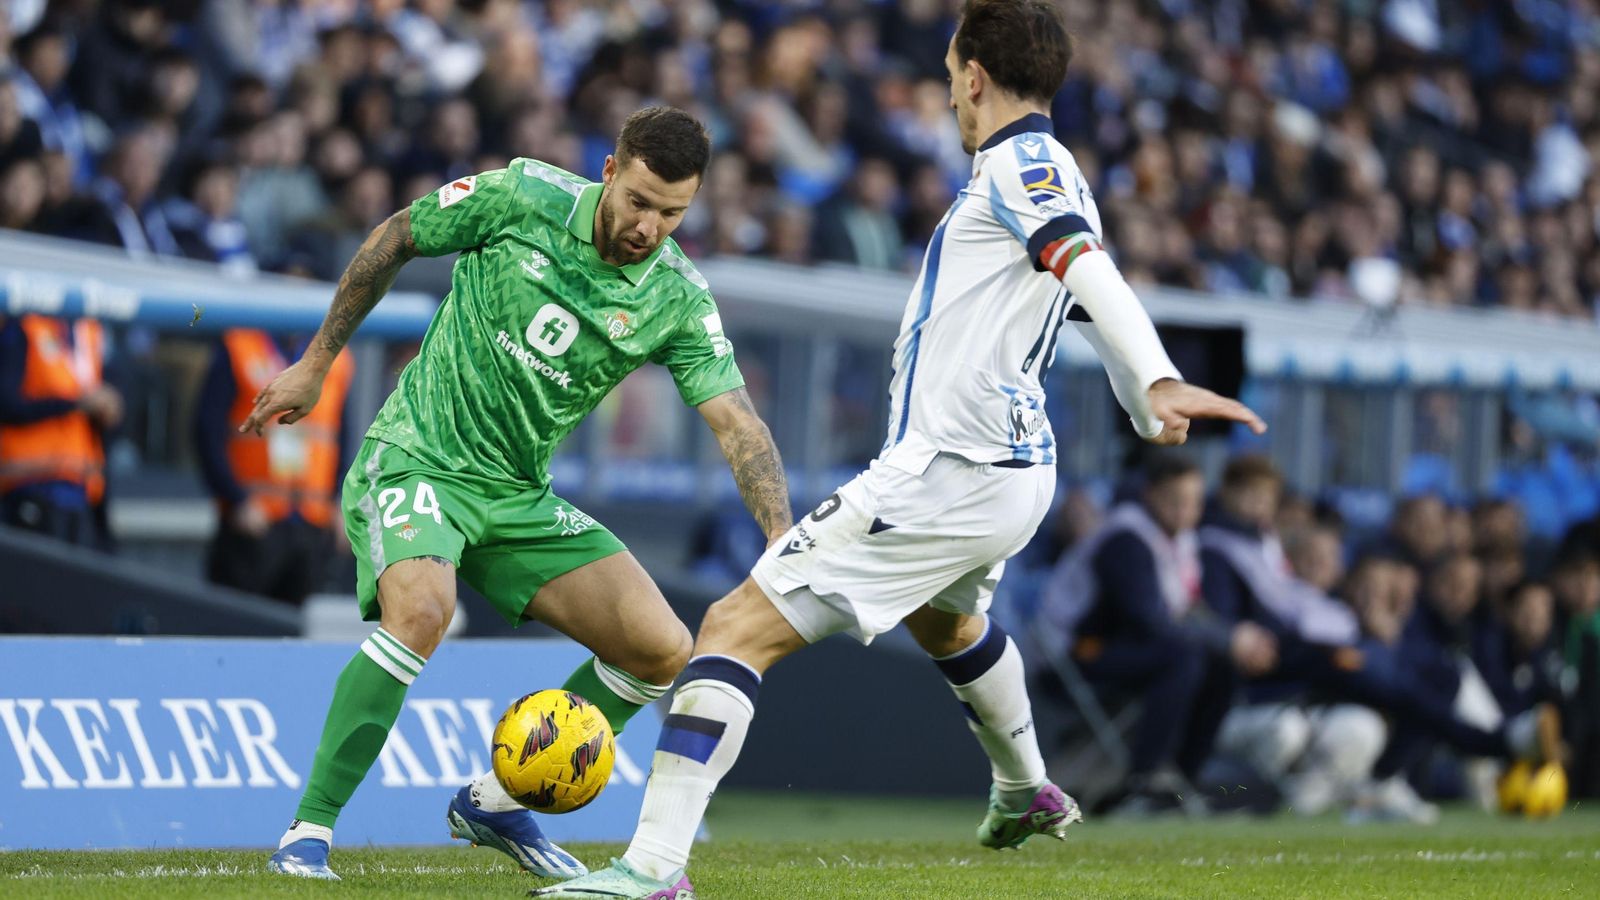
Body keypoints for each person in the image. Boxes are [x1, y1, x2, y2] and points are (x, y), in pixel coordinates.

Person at [535, 3, 1266, 896]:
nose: (950, 93)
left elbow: (1086, 270)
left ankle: (653, 868)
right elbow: (1075, 290)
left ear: (972, 77)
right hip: (1012, 474)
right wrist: (1141, 405)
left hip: (951, 470)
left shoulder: (1022, 163)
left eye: (952, 73)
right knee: (945, 620)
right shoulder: (1053, 167)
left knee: (729, 630)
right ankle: (1025, 786)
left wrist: (1154, 379)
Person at [251, 106, 792, 881]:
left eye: (672, 212)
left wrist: (782, 540)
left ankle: (498, 801)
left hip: (515, 495)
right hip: (418, 457)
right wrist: (316, 363)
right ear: (610, 172)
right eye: (638, 201)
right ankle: (308, 833)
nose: (649, 226)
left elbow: (737, 424)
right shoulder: (521, 196)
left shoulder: (676, 297)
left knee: (662, 650)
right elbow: (398, 234)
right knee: (423, 612)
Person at [1039, 454, 1275, 813]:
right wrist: (1227, 639)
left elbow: (1190, 611)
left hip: (1125, 650)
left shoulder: (1180, 542)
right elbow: (1149, 621)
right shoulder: (1126, 539)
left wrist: (1237, 640)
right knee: (1183, 656)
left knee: (1220, 663)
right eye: (1174, 500)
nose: (1185, 511)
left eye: (1193, 502)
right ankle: (1144, 781)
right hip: (1076, 654)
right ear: (1150, 495)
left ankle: (1182, 780)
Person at [194, 329, 353, 605]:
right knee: (239, 625)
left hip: (311, 524)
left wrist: (340, 501)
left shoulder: (336, 356)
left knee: (299, 632)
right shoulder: (240, 346)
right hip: (253, 524)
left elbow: (340, 435)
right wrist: (235, 500)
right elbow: (206, 431)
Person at [0, 314, 120, 548]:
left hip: (81, 486)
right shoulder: (24, 328)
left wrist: (109, 405)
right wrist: (75, 403)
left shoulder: (90, 330)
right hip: (30, 484)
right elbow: (6, 404)